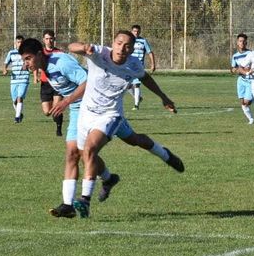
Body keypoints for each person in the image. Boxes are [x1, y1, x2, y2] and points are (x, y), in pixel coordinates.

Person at [67, 30, 184, 218]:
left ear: (132, 49)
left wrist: (164, 97)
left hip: (111, 115)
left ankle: (85, 201)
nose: (122, 47)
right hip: (87, 114)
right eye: (119, 42)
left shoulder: (133, 64)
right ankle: (113, 177)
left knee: (89, 150)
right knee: (134, 140)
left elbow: (145, 78)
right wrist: (83, 47)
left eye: (127, 45)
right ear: (113, 43)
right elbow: (71, 47)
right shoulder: (98, 53)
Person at [19, 37, 88, 218]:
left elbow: (88, 81)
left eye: (28, 59)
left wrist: (66, 101)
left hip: (92, 105)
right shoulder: (45, 67)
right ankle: (68, 205)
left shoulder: (62, 62)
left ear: (40, 54)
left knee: (132, 138)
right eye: (23, 60)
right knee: (72, 153)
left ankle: (165, 155)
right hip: (76, 108)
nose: (26, 64)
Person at [34, 29, 65, 136]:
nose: (49, 41)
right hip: (45, 84)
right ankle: (56, 116)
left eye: (51, 38)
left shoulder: (60, 53)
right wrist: (35, 76)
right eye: (47, 39)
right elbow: (35, 66)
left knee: (57, 107)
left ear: (54, 39)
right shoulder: (39, 53)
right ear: (43, 40)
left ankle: (59, 129)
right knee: (47, 112)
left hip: (57, 83)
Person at [2, 35, 29, 123]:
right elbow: (6, 63)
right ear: (15, 43)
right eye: (18, 42)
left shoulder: (27, 53)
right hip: (14, 79)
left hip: (24, 78)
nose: (20, 44)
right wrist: (5, 69)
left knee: (20, 97)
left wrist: (28, 64)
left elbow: (32, 63)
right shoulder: (11, 53)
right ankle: (19, 113)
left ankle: (17, 118)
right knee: (14, 101)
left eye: (21, 42)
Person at [128, 24, 155, 110]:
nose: (136, 33)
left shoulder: (143, 41)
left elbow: (150, 52)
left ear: (140, 32)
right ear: (131, 31)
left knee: (136, 84)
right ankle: (138, 98)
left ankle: (136, 105)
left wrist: (153, 64)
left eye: (138, 31)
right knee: (127, 85)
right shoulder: (128, 40)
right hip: (128, 65)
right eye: (134, 31)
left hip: (139, 66)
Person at [230, 33, 254, 124]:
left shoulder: (251, 54)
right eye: (240, 41)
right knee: (243, 102)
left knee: (247, 102)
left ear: (246, 43)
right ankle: (251, 119)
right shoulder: (235, 56)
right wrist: (235, 70)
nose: (242, 43)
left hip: (250, 80)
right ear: (237, 42)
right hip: (241, 80)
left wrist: (249, 69)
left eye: (244, 42)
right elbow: (233, 68)